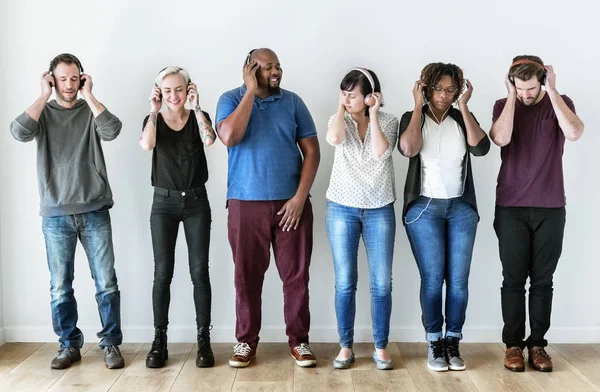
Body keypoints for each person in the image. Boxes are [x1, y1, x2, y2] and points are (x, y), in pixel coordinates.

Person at [10, 53, 124, 369]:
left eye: (75, 78)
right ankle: (68, 344)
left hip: (95, 209)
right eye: (63, 79)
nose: (70, 85)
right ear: (52, 79)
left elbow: (113, 130)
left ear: (82, 78)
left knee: (107, 282)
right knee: (60, 286)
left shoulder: (91, 111)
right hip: (56, 213)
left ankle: (111, 345)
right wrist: (43, 95)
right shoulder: (43, 114)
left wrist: (90, 95)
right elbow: (18, 132)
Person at [216, 48, 320, 368]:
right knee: (246, 277)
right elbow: (230, 136)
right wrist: (250, 91)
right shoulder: (231, 99)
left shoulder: (293, 102)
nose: (276, 72)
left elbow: (312, 151)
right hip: (245, 205)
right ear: (249, 70)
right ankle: (246, 341)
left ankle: (299, 341)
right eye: (267, 67)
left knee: (296, 277)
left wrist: (300, 198)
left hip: (292, 206)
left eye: (278, 66)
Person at [490, 55, 584, 373]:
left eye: (531, 88)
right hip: (511, 208)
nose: (527, 94)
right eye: (521, 88)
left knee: (543, 281)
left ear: (542, 80)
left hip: (551, 207)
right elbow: (500, 138)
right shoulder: (504, 104)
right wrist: (512, 97)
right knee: (513, 280)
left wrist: (553, 91)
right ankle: (513, 345)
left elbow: (574, 133)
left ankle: (538, 346)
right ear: (512, 83)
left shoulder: (560, 102)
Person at [398, 62, 490, 371]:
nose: (444, 95)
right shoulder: (413, 118)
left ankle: (453, 340)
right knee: (433, 278)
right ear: (426, 88)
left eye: (451, 90)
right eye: (438, 88)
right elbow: (408, 149)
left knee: (459, 281)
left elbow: (481, 149)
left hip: (461, 208)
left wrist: (464, 107)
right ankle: (434, 341)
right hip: (425, 208)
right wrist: (416, 107)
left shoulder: (460, 117)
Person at [139, 66, 217, 368]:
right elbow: (147, 144)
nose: (174, 95)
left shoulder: (200, 117)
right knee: (163, 272)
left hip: (197, 201)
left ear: (189, 89)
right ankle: (159, 341)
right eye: (167, 90)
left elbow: (210, 140)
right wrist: (154, 111)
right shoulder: (152, 120)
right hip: (164, 203)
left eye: (179, 89)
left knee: (199, 271)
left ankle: (203, 341)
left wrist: (196, 109)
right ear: (160, 92)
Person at [325, 68, 398, 370]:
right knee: (345, 282)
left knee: (381, 284)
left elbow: (381, 152)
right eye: (343, 93)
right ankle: (346, 346)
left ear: (369, 95)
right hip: (342, 208)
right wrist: (342, 108)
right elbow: (335, 138)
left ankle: (381, 347)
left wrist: (375, 113)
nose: (346, 98)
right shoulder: (337, 119)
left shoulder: (390, 121)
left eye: (352, 94)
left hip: (379, 208)